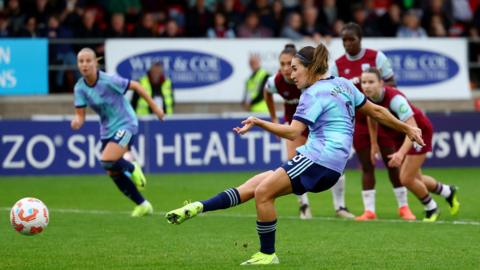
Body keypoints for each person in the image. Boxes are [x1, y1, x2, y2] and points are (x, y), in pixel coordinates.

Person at [165, 44, 424, 265]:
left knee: (263, 193)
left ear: (310, 68)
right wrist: (407, 128)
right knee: (255, 185)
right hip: (329, 164)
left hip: (318, 160)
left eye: (295, 68)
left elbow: (292, 132)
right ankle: (199, 207)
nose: (291, 74)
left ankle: (267, 254)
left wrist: (259, 122)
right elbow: (377, 111)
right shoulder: (344, 84)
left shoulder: (312, 94)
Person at [331, 22, 416, 221]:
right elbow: (334, 93)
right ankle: (369, 210)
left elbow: (391, 83)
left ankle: (404, 207)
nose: (347, 43)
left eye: (351, 39)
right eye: (344, 40)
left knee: (392, 162)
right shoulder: (338, 65)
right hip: (358, 123)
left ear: (360, 39)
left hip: (381, 118)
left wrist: (374, 94)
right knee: (367, 165)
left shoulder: (376, 57)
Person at [71, 47, 165, 217]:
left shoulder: (108, 80)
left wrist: (155, 107)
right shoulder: (80, 88)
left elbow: (135, 85)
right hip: (107, 131)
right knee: (111, 169)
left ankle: (132, 167)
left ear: (95, 62)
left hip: (127, 124)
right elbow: (80, 116)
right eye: (81, 61)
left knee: (107, 159)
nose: (84, 64)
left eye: (88, 60)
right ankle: (143, 205)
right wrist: (77, 122)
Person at [264, 43, 354, 219]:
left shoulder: (313, 81)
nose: (285, 68)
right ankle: (304, 206)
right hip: (296, 125)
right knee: (293, 162)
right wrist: (273, 118)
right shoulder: (276, 81)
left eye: (290, 64)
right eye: (281, 64)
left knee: (332, 163)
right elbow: (266, 92)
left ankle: (340, 207)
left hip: (319, 125)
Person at [360, 67, 460, 222]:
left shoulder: (395, 99)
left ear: (381, 83)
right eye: (363, 82)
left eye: (371, 82)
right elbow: (371, 117)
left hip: (419, 133)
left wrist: (400, 153)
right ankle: (448, 191)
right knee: (415, 177)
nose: (366, 86)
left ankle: (431, 208)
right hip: (401, 135)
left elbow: (413, 129)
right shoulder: (369, 98)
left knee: (406, 178)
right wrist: (374, 143)